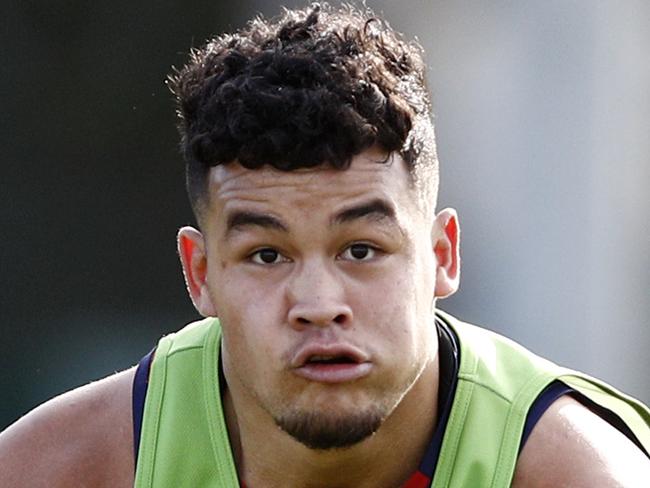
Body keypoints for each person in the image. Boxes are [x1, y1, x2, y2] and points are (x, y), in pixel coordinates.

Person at [1, 3, 649, 487]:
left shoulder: (578, 472)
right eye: (266, 255)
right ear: (200, 274)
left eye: (361, 250)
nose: (317, 303)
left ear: (441, 256)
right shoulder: (64, 470)